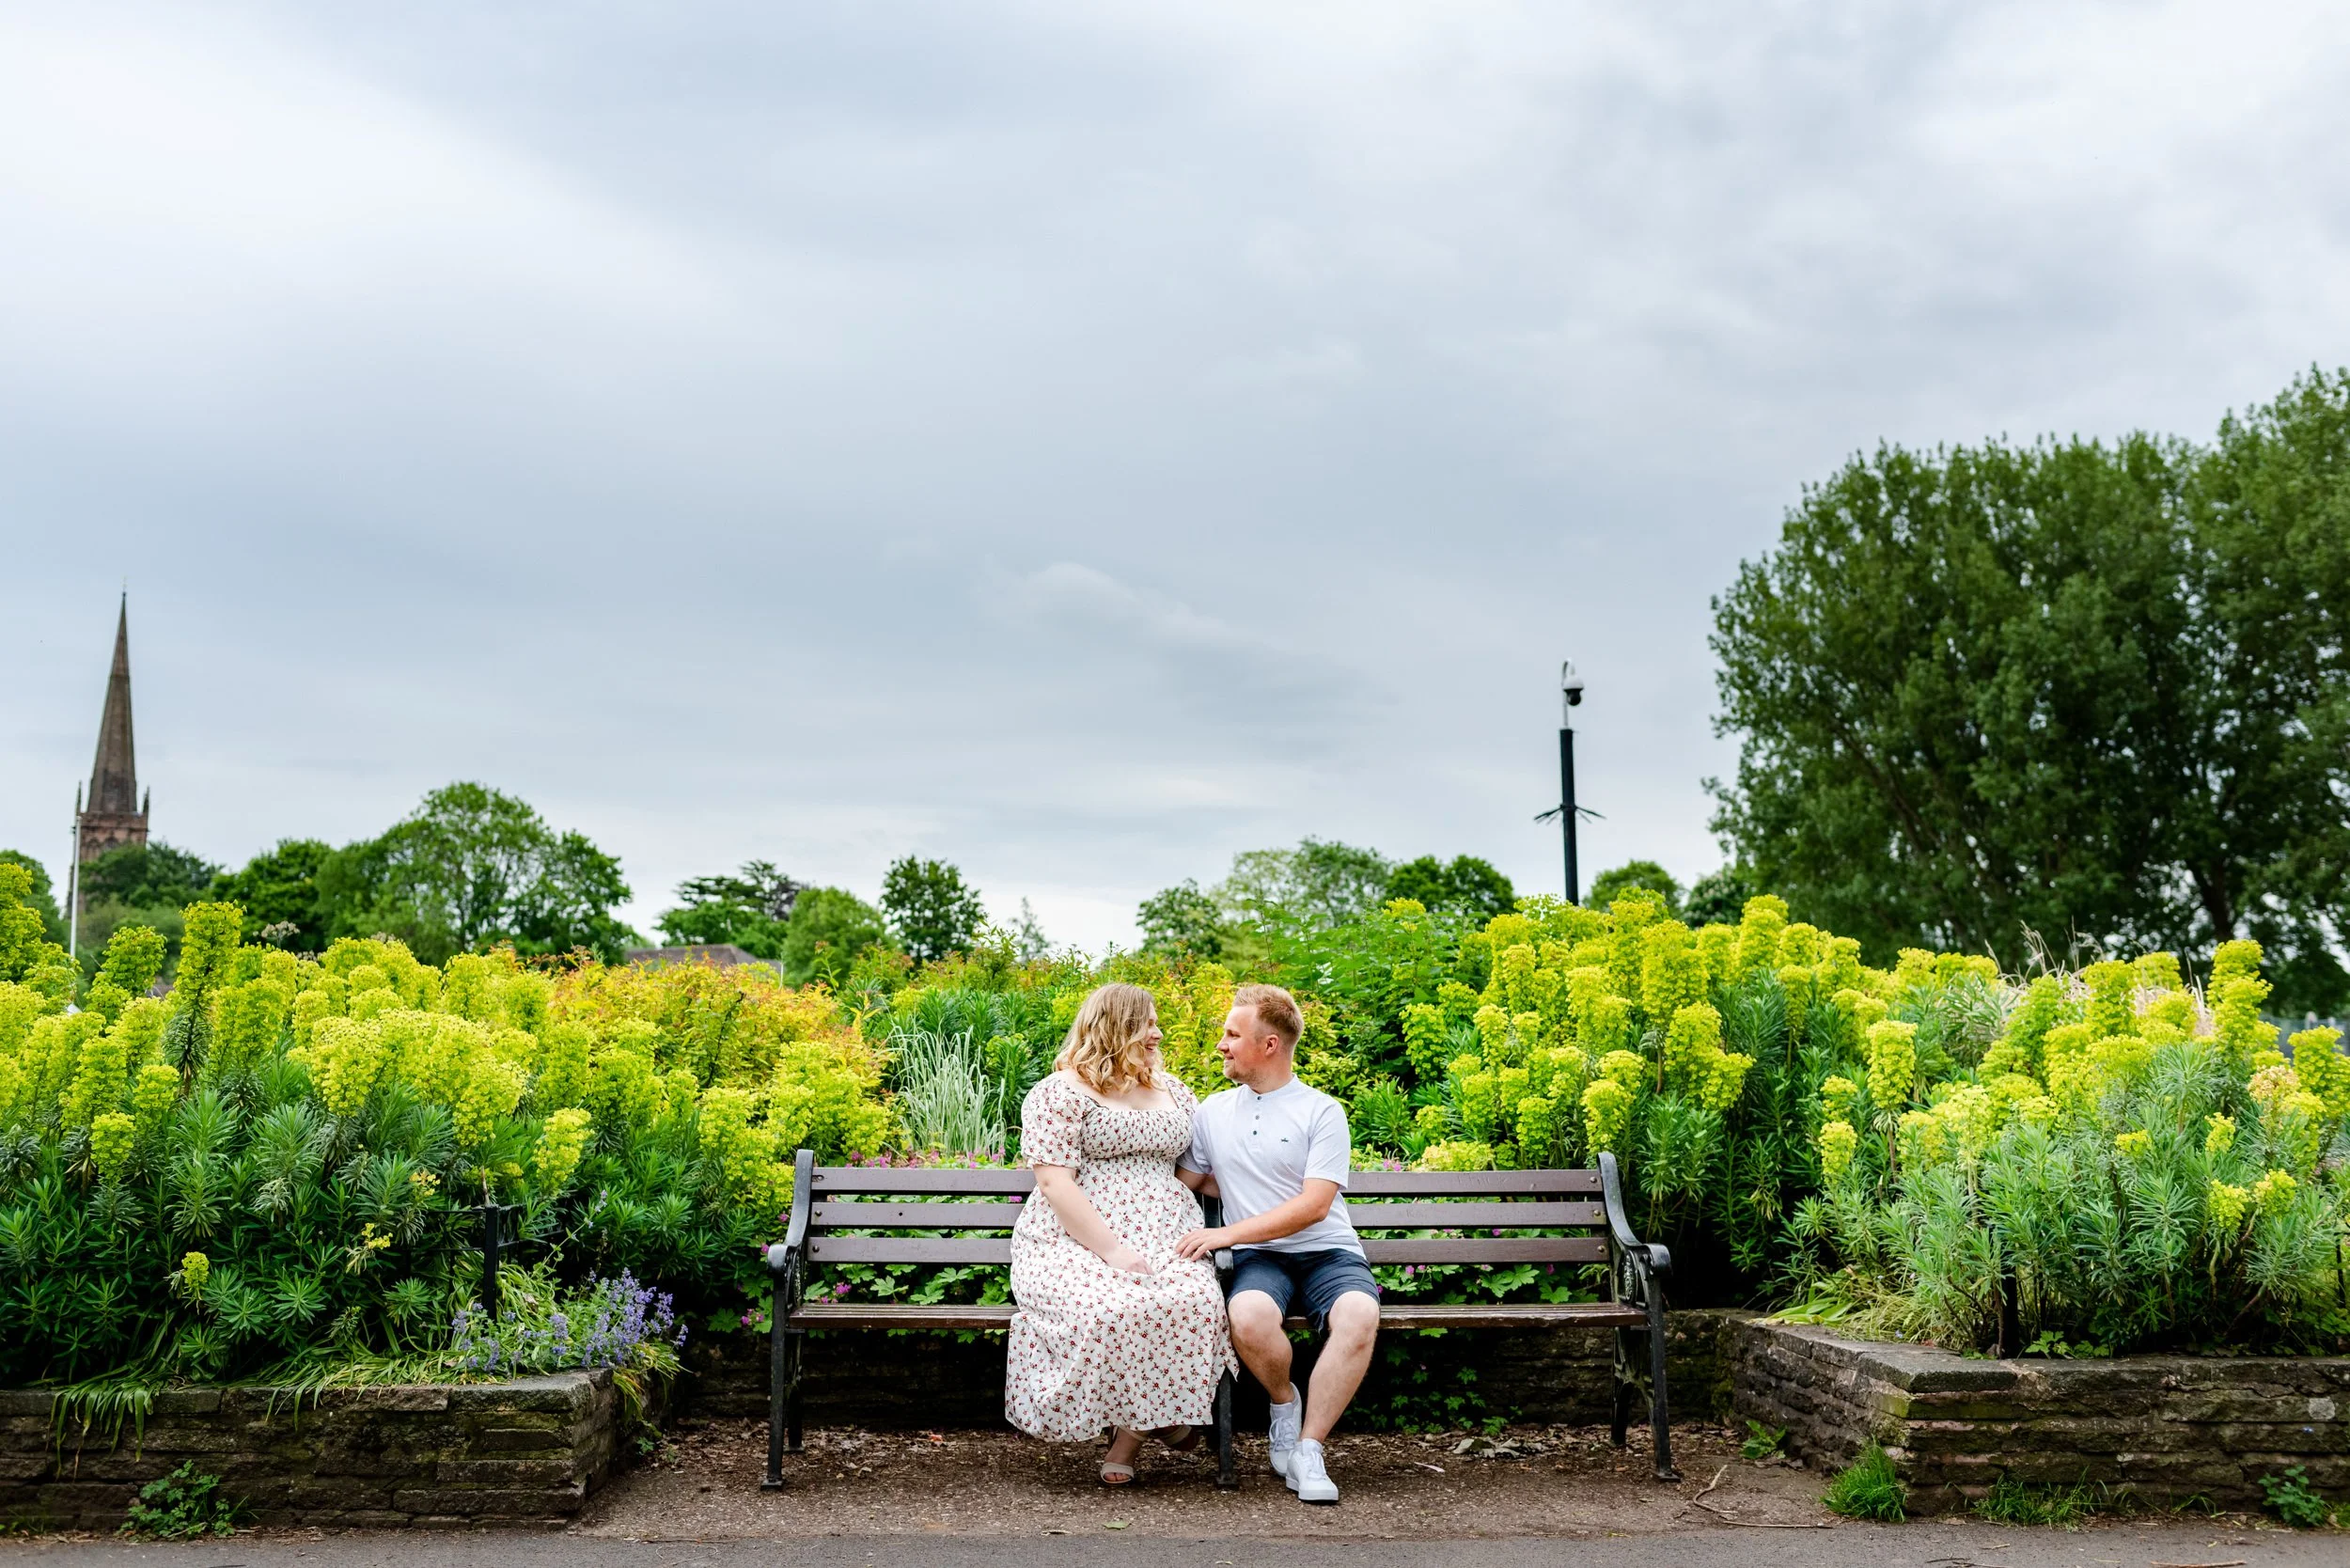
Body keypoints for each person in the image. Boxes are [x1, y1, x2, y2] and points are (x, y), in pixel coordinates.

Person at [1005, 982, 1237, 1485]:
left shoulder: (1174, 1090)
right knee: (1113, 1307)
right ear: (1115, 1026)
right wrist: (1111, 1250)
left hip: (1167, 1229)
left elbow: (1196, 1169)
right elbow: (1053, 1181)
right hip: (1073, 1239)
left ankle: (1131, 1435)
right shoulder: (1059, 1092)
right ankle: (1167, 1421)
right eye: (1147, 1023)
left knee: (1196, 1300)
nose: (1157, 1033)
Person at [1174, 983, 1376, 1506]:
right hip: (1263, 1259)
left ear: (1269, 1045)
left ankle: (1308, 1450)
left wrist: (1228, 1232)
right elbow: (1188, 1180)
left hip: (1328, 1250)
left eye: (1231, 1034)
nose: (1220, 1044)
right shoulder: (1212, 1113)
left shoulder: (1322, 1111)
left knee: (1358, 1315)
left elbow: (1314, 1205)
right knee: (1247, 1318)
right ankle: (1284, 1404)